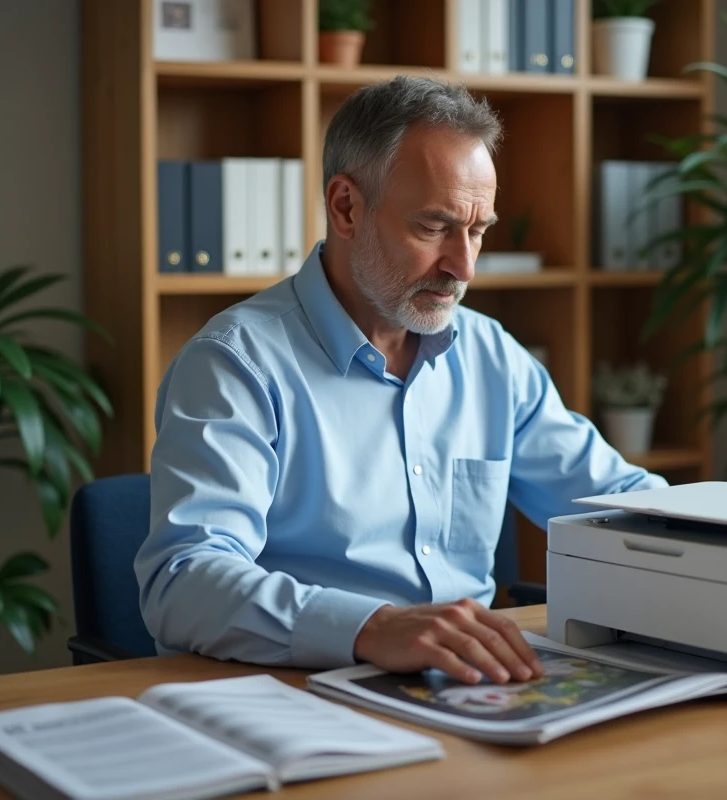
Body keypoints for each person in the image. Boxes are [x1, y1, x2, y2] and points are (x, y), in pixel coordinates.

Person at [134, 75, 668, 687]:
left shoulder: (492, 356)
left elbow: (620, 503)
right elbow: (182, 580)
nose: (463, 267)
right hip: (306, 691)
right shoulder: (235, 364)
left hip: (475, 689)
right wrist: (371, 628)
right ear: (346, 207)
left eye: (479, 230)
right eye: (434, 227)